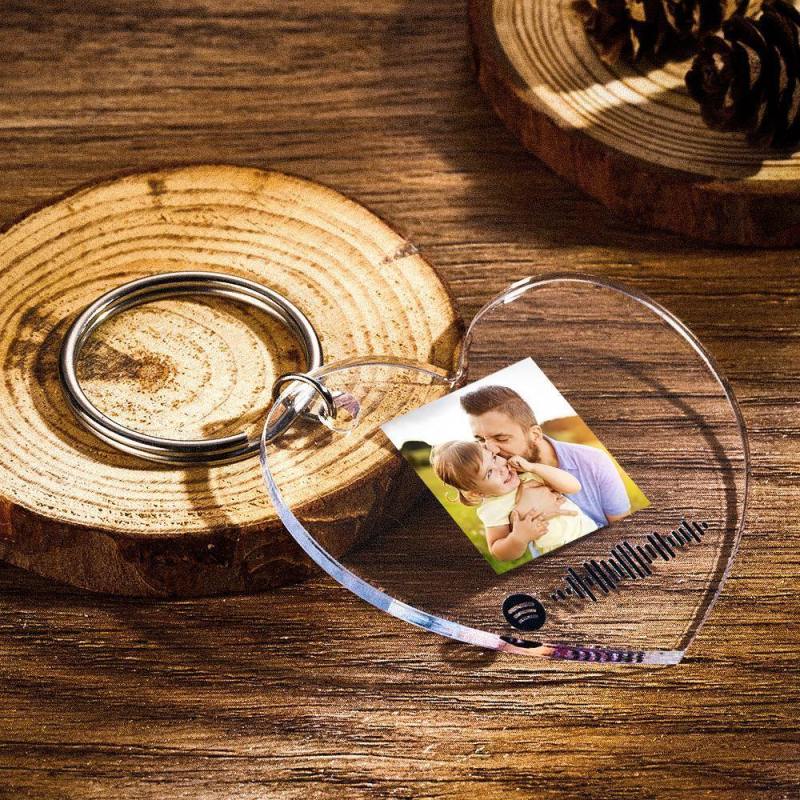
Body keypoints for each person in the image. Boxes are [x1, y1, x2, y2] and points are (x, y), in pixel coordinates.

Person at [459, 385, 631, 527]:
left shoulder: (594, 460)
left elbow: (622, 527)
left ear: (534, 434)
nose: (490, 450)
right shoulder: (499, 479)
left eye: (501, 438)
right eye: (480, 440)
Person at [430, 440, 597, 562]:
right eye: (489, 473)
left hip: (589, 530)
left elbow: (573, 486)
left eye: (494, 458)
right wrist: (519, 537)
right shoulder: (493, 508)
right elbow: (497, 551)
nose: (501, 468)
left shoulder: (528, 474)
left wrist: (533, 467)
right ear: (478, 492)